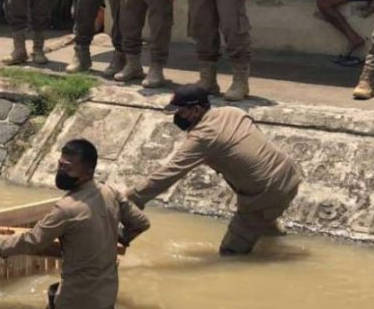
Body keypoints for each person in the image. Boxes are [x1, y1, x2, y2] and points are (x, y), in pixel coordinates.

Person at [0, 139, 150, 309]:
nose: (60, 172)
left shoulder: (67, 208)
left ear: (88, 171)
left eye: (67, 168)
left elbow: (33, 241)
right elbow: (141, 223)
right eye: (60, 164)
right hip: (106, 299)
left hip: (76, 308)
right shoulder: (110, 192)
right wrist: (120, 237)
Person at [126, 85, 302, 256]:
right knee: (264, 228)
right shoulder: (234, 112)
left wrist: (131, 198)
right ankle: (275, 240)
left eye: (180, 112)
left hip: (265, 193)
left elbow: (169, 173)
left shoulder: (203, 137)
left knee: (231, 253)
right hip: (289, 173)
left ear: (195, 110)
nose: (177, 117)